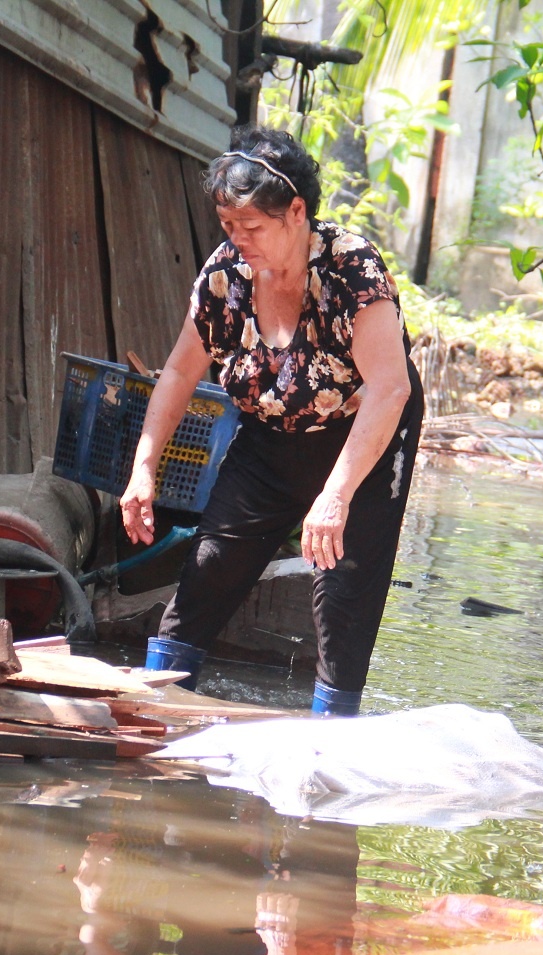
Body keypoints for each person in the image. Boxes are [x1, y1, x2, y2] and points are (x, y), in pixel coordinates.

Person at [118, 125, 423, 717]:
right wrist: (143, 468)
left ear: (297, 212)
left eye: (251, 227)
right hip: (270, 437)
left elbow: (390, 388)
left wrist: (335, 498)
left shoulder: (350, 269)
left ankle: (329, 746)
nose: (238, 240)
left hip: (364, 440)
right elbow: (179, 373)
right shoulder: (224, 277)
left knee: (340, 597)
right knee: (209, 566)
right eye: (228, 226)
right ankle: (153, 721)